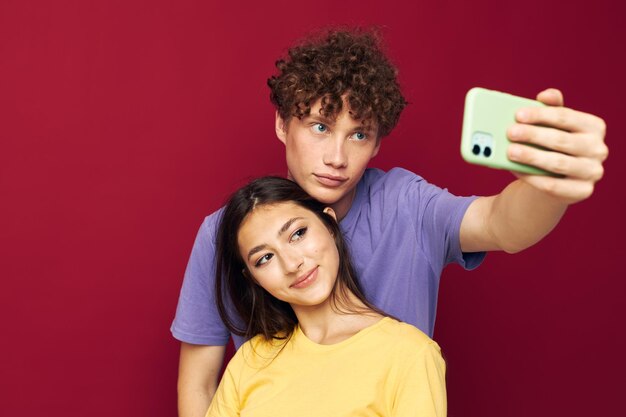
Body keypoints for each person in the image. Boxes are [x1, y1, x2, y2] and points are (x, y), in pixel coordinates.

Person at [172, 29, 608, 417]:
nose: (337, 158)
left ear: (378, 142)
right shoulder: (223, 233)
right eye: (320, 127)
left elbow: (499, 223)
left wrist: (549, 185)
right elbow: (199, 383)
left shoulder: (406, 203)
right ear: (283, 124)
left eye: (359, 134)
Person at [206, 176, 446, 416]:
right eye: (265, 258)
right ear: (254, 279)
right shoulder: (249, 361)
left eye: (298, 234)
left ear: (330, 225)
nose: (291, 264)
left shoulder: (410, 353)